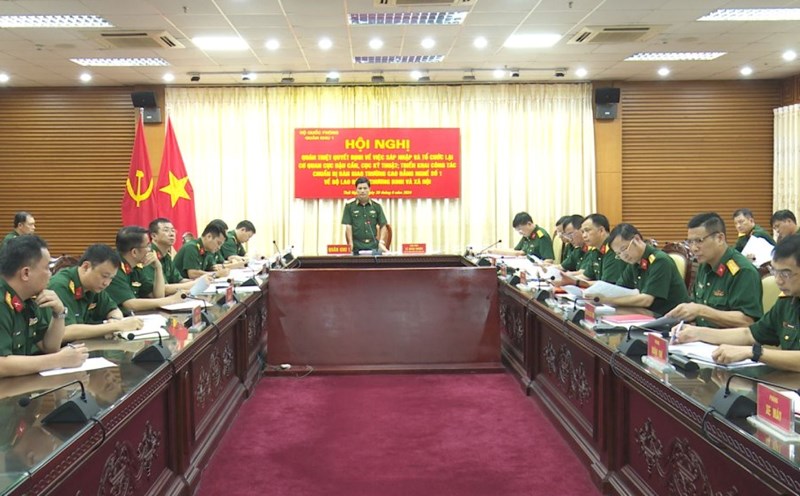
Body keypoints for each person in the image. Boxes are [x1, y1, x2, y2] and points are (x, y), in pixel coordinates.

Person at [676, 234, 800, 371]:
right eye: (775, 271)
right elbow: (750, 334)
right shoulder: (787, 301)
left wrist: (755, 353)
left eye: (786, 274)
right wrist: (698, 333)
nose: (778, 280)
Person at [0, 235, 87, 378]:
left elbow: (49, 347)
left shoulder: (28, 300)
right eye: (47, 268)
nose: (50, 274)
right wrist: (58, 360)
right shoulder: (2, 302)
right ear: (26, 273)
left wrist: (59, 313)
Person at [666, 213, 762, 328]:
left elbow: (747, 321)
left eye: (699, 241)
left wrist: (701, 311)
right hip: (700, 339)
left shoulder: (742, 271)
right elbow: (695, 307)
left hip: (728, 343)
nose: (694, 248)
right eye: (690, 242)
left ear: (719, 238)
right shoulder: (704, 266)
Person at [48, 244, 143, 341]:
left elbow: (113, 309)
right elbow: (65, 332)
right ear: (86, 267)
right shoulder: (60, 286)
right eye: (104, 276)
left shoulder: (94, 286)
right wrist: (117, 326)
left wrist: (114, 320)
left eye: (111, 278)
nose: (107, 283)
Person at [599, 223, 689, 315]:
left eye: (624, 249)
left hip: (670, 318)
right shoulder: (634, 263)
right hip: (648, 313)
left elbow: (646, 300)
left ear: (637, 239)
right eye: (619, 254)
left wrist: (607, 300)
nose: (623, 256)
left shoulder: (659, 260)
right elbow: (619, 289)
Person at [105, 226, 183, 314]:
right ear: (134, 252)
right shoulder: (113, 268)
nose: (150, 250)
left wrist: (158, 268)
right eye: (148, 245)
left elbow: (157, 295)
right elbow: (131, 304)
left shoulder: (136, 267)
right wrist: (171, 300)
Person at [144, 218, 203, 295]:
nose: (171, 234)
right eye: (166, 230)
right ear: (154, 236)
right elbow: (163, 289)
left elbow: (179, 280)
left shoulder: (167, 255)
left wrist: (202, 281)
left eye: (173, 230)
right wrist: (194, 284)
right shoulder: (149, 255)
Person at [342, 176, 388, 255]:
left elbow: (383, 225)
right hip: (356, 247)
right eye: (360, 188)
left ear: (369, 189)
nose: (362, 191)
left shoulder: (376, 206)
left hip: (374, 246)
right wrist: (350, 244)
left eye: (365, 188)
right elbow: (348, 226)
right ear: (356, 190)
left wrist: (381, 242)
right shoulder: (349, 206)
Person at [575, 213, 625, 284]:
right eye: (582, 232)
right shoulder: (595, 250)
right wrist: (568, 280)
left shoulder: (613, 249)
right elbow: (586, 276)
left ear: (601, 230)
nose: (584, 235)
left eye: (587, 230)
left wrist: (575, 282)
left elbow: (606, 284)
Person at [490, 212, 554, 260]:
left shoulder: (542, 236)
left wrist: (496, 251)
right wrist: (496, 251)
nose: (519, 233)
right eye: (517, 230)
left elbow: (549, 260)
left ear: (529, 224)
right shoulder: (527, 235)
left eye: (520, 229)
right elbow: (516, 250)